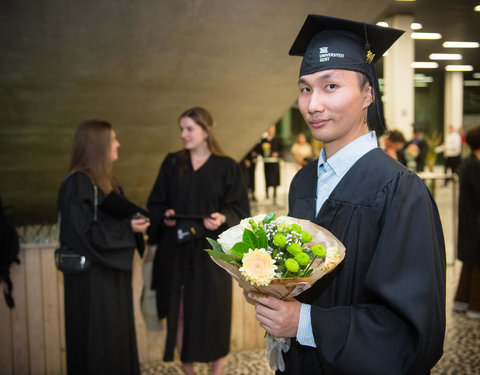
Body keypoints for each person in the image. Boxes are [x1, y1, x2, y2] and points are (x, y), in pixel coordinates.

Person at [245, 14, 446, 374]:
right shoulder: (303, 182)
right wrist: (274, 291)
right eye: (305, 88)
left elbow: (414, 334)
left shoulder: (400, 191)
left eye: (330, 86)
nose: (313, 105)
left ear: (368, 93)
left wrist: (304, 322)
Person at [147, 107, 250, 375]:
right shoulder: (172, 163)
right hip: (177, 250)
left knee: (215, 313)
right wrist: (165, 216)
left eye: (189, 129)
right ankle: (188, 370)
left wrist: (222, 217)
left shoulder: (227, 167)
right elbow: (155, 203)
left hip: (212, 255)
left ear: (206, 131)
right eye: (181, 129)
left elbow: (240, 210)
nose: (183, 135)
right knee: (179, 313)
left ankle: (216, 371)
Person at [57, 120, 150, 375]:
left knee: (116, 338)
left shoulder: (109, 183)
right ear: (97, 146)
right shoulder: (77, 184)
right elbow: (81, 234)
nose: (118, 144)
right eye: (113, 139)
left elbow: (114, 219)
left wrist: (134, 221)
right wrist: (126, 230)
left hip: (111, 278)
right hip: (90, 284)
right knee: (96, 343)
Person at [453, 124, 480, 320]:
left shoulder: (470, 162)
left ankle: (462, 302)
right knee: (476, 263)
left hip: (472, 222)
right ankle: (475, 307)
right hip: (475, 223)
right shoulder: (474, 165)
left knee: (470, 264)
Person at [256, 124, 283, 201]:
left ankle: (275, 193)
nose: (272, 130)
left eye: (273, 129)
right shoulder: (264, 140)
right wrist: (264, 153)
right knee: (267, 176)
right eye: (271, 129)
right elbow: (259, 150)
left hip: (275, 162)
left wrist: (277, 154)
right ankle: (267, 193)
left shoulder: (277, 139)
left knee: (275, 177)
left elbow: (281, 149)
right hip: (267, 162)